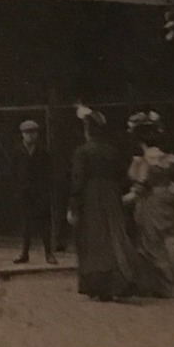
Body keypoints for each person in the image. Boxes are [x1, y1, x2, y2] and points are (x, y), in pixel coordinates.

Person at [67, 105, 140, 301]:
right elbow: (122, 176)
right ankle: (118, 280)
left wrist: (74, 205)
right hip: (111, 196)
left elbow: (78, 179)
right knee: (113, 236)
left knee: (93, 239)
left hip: (92, 198)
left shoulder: (82, 152)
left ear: (87, 130)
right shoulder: (111, 152)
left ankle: (98, 284)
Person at [125, 114, 174, 298]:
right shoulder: (168, 158)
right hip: (167, 199)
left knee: (152, 243)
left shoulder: (143, 161)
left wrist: (126, 198)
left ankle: (166, 284)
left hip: (150, 202)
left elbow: (141, 185)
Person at [13, 120, 57, 264]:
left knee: (44, 223)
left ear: (37, 134)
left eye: (33, 133)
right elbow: (13, 171)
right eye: (27, 133)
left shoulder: (43, 151)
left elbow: (50, 172)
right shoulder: (17, 150)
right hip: (24, 192)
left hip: (40, 192)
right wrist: (17, 188)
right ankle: (24, 253)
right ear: (22, 135)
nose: (30, 136)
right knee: (26, 224)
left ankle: (49, 253)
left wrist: (47, 190)